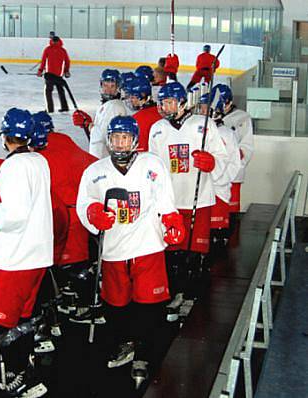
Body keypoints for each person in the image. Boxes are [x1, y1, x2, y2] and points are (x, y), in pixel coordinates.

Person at [76, 115, 184, 388]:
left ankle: (145, 353)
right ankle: (125, 343)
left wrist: (171, 220)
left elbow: (164, 201)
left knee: (149, 304)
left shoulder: (152, 164)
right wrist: (92, 213)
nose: (120, 143)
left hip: (147, 245)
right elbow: (84, 203)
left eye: (125, 138)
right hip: (113, 249)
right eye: (115, 138)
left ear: (135, 139)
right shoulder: (95, 171)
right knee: (117, 304)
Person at [0, 108, 52, 398]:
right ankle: (27, 367)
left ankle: (21, 375)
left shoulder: (13, 167)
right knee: (21, 317)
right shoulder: (38, 160)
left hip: (16, 258)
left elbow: (13, 215)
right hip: (37, 254)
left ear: (5, 136)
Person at [148, 82, 228, 300]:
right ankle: (174, 292)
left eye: (170, 103)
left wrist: (211, 162)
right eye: (162, 103)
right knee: (172, 251)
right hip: (169, 201)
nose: (165, 108)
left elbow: (222, 157)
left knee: (196, 253)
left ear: (182, 103)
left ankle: (194, 297)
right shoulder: (157, 130)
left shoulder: (204, 124)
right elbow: (152, 168)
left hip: (198, 199)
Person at [30, 111, 99, 324]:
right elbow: (94, 165)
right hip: (77, 211)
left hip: (62, 215)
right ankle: (83, 302)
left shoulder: (37, 155)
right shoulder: (64, 141)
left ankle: (87, 306)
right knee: (75, 262)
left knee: (69, 264)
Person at [196, 93, 242, 247]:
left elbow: (234, 162)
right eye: (201, 108)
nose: (202, 112)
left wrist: (218, 179)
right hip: (202, 188)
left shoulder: (227, 134)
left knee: (217, 231)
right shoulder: (197, 131)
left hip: (219, 189)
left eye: (206, 109)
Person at [211, 84, 254, 215]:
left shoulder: (243, 117)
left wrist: (235, 156)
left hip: (233, 171)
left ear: (229, 102)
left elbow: (247, 145)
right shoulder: (208, 116)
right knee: (215, 210)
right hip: (215, 171)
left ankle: (232, 233)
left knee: (232, 210)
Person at [72, 69, 128, 159]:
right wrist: (89, 123)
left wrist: (87, 124)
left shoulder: (114, 106)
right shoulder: (109, 104)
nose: (108, 90)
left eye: (112, 86)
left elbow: (101, 136)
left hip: (103, 158)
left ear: (118, 87)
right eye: (105, 85)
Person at [121, 76, 162, 152]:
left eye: (133, 97)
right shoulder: (161, 112)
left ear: (142, 96)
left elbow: (140, 150)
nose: (131, 100)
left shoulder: (136, 120)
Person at [37, 36, 71, 114]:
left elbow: (43, 61)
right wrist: (66, 71)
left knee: (48, 92)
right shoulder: (63, 50)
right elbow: (67, 62)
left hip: (49, 75)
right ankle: (64, 107)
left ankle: (50, 109)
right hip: (59, 75)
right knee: (61, 91)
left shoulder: (48, 49)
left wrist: (40, 70)